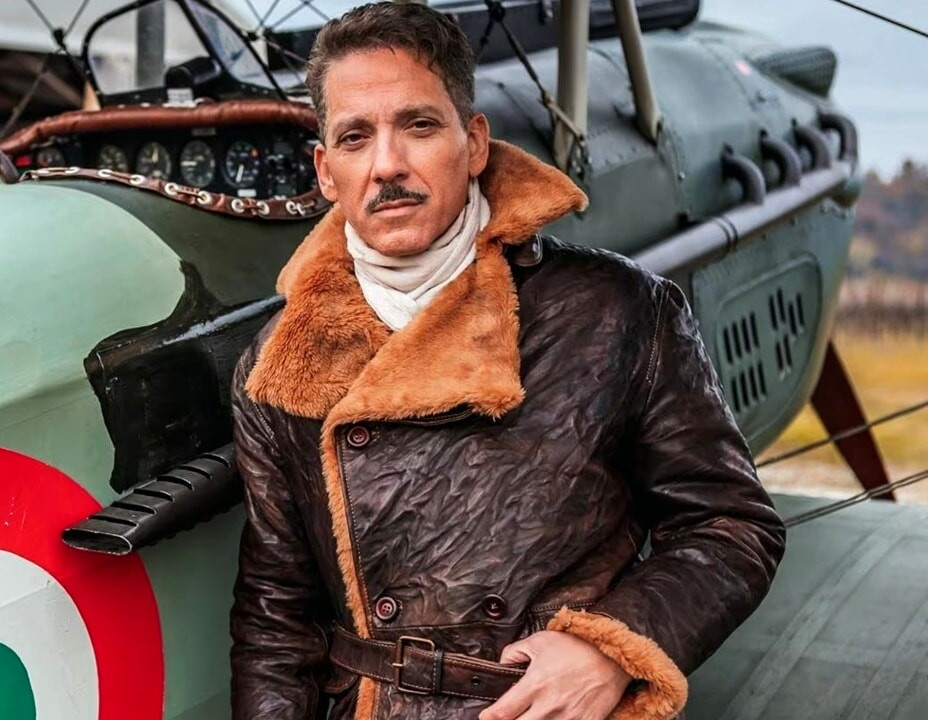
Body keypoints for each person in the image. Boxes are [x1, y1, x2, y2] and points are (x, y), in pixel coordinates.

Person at [228, 3, 785, 719]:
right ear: (325, 171)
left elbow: (732, 526)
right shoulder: (279, 360)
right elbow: (276, 618)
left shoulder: (618, 309)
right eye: (355, 137)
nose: (387, 165)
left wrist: (610, 648)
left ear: (475, 143)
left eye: (419, 126)